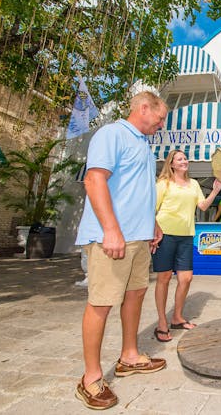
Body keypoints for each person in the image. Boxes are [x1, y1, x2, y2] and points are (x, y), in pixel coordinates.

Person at [74, 91, 167, 410]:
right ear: (144, 108)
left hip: (139, 238)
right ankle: (90, 378)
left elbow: (136, 190)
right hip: (111, 238)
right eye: (161, 116)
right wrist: (111, 229)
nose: (162, 122)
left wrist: (152, 222)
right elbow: (94, 180)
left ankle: (129, 357)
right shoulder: (111, 133)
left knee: (136, 294)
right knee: (101, 302)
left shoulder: (144, 144)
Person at [152, 150, 221, 342]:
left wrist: (215, 190)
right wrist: (154, 231)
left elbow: (203, 206)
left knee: (186, 278)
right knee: (164, 278)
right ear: (172, 164)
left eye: (185, 158)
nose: (184, 161)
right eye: (180, 159)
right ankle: (161, 322)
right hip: (165, 235)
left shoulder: (194, 184)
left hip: (186, 236)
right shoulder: (163, 184)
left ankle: (177, 317)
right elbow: (151, 209)